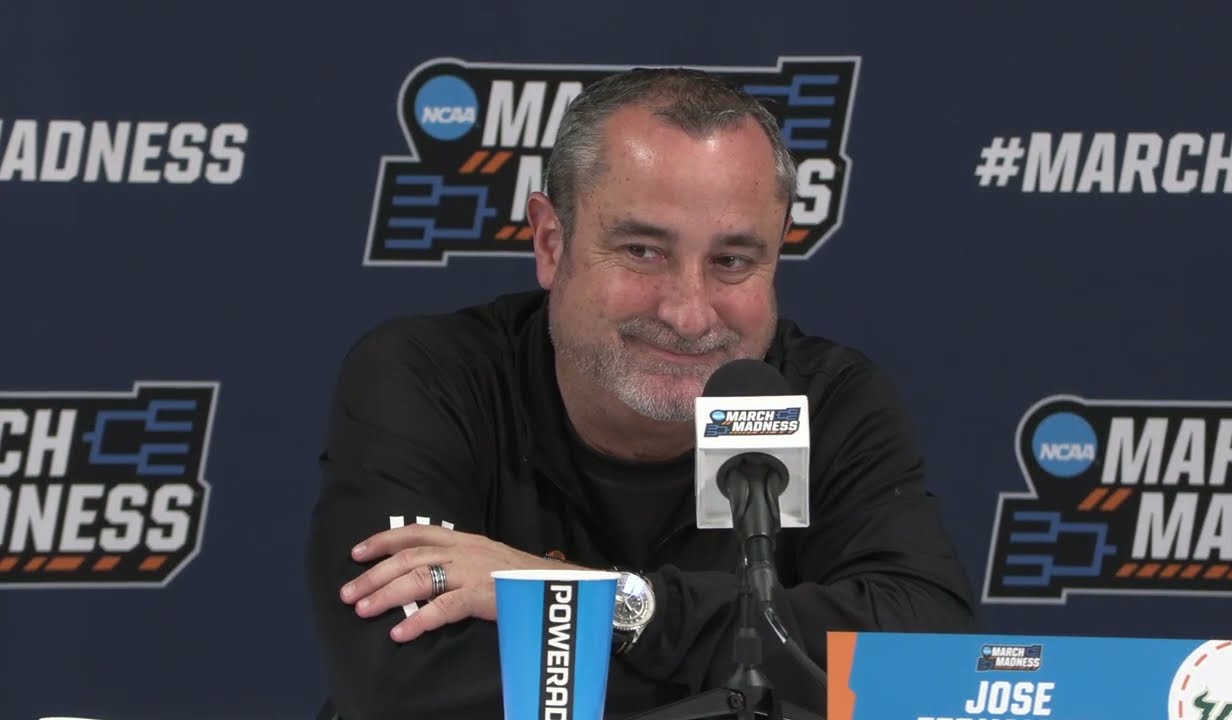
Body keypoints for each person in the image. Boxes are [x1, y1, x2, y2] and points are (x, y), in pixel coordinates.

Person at [305, 67, 975, 720]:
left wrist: (594, 601)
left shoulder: (830, 401)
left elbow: (925, 665)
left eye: (733, 262)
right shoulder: (432, 376)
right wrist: (760, 682)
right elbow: (400, 687)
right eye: (642, 251)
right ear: (550, 241)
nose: (689, 314)